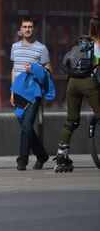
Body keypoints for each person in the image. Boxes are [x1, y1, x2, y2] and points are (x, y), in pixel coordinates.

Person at [54, 16, 100, 172]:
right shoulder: (98, 45)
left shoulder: (82, 42)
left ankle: (62, 155)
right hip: (88, 82)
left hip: (72, 82)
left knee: (72, 121)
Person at [10, 16, 52, 171]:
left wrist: (33, 69)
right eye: (24, 26)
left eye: (30, 27)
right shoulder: (15, 47)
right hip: (19, 92)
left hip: (34, 93)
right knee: (26, 128)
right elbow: (14, 68)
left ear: (35, 29)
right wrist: (12, 90)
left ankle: (22, 160)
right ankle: (41, 155)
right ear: (21, 29)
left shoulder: (41, 48)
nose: (27, 29)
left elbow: (49, 70)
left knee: (27, 126)